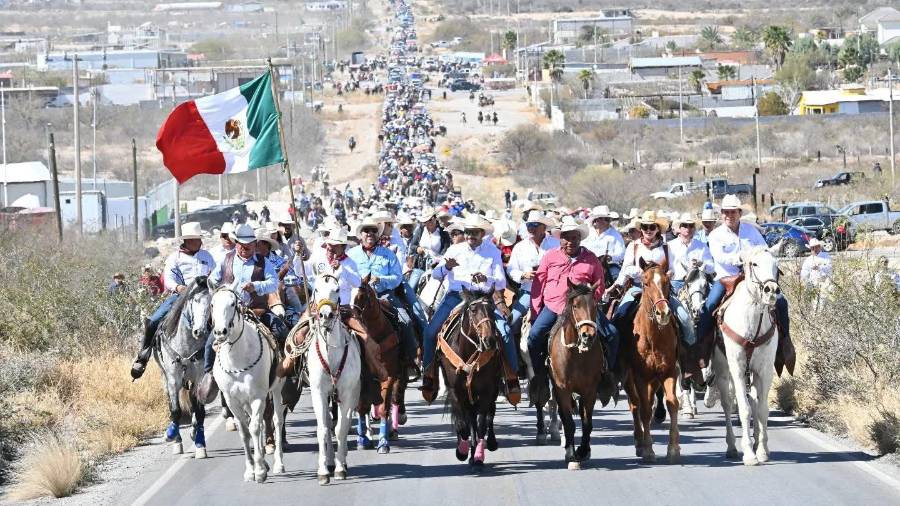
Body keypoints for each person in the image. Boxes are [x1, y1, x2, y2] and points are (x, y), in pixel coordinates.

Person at [421, 214, 520, 405]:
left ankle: (511, 377)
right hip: (456, 296)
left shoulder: (492, 251)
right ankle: (429, 374)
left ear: (482, 233)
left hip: (483, 298)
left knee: (506, 332)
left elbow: (501, 280)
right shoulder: (454, 249)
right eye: (467, 232)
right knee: (430, 331)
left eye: (474, 233)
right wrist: (445, 268)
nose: (470, 236)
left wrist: (486, 279)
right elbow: (435, 274)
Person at [697, 194, 791, 372]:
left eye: (733, 212)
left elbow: (764, 251)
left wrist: (765, 256)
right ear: (721, 214)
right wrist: (739, 257)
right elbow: (720, 257)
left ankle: (784, 344)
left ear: (739, 213)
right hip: (726, 279)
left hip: (752, 279)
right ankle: (703, 351)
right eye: (726, 212)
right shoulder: (716, 235)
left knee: (781, 301)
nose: (729, 215)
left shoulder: (751, 231)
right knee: (709, 307)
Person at [527, 216, 618, 395]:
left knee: (613, 335)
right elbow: (538, 285)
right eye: (566, 237)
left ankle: (606, 374)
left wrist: (590, 303)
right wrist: (536, 311)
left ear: (580, 238)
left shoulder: (591, 259)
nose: (570, 241)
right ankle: (540, 377)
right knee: (534, 337)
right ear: (560, 238)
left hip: (584, 308)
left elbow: (599, 285)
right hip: (555, 306)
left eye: (574, 237)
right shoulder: (550, 256)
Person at [198, 223, 284, 402]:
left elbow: (274, 282)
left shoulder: (263, 262)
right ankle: (210, 375)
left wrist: (256, 286)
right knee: (209, 343)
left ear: (255, 244)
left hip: (256, 311)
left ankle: (285, 372)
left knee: (281, 330)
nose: (245, 249)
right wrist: (223, 290)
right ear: (236, 243)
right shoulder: (226, 260)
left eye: (249, 245)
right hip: (230, 314)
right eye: (242, 245)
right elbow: (212, 281)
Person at [608, 211, 700, 377]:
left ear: (658, 229)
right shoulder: (633, 246)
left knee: (685, 319)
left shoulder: (667, 247)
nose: (648, 230)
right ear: (641, 229)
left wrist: (669, 274)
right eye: (645, 227)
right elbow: (625, 268)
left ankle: (689, 362)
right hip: (638, 287)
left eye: (652, 227)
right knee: (619, 317)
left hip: (661, 290)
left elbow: (674, 268)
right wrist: (637, 273)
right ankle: (619, 362)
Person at [130, 222, 215, 379]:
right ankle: (143, 356)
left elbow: (215, 275)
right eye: (194, 239)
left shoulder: (207, 257)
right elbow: (168, 279)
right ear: (187, 241)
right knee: (153, 320)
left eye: (198, 238)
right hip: (181, 296)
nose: (198, 241)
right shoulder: (174, 258)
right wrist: (177, 288)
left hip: (205, 296)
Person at [347, 217, 420, 374]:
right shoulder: (351, 255)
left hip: (384, 296)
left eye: (374, 231)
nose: (370, 234)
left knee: (405, 321)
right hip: (357, 298)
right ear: (361, 234)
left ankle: (409, 358)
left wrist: (381, 280)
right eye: (367, 230)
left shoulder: (388, 254)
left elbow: (397, 278)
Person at [506, 211, 558, 348]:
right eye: (529, 225)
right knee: (511, 323)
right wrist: (523, 275)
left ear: (544, 227)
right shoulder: (520, 247)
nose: (531, 228)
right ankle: (516, 357)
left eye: (535, 224)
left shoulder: (556, 244)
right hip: (529, 292)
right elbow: (511, 269)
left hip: (553, 293)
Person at [668, 213, 714, 295]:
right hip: (675, 284)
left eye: (691, 226)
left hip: (697, 284)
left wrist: (702, 264)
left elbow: (711, 268)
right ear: (680, 228)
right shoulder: (669, 246)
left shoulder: (702, 246)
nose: (688, 228)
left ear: (694, 228)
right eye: (685, 226)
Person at [582, 205, 626, 282]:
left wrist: (611, 257)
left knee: (616, 276)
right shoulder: (588, 233)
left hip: (609, 266)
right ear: (596, 220)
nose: (606, 221)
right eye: (602, 219)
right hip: (588, 264)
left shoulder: (615, 235)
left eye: (607, 219)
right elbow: (581, 247)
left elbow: (621, 253)